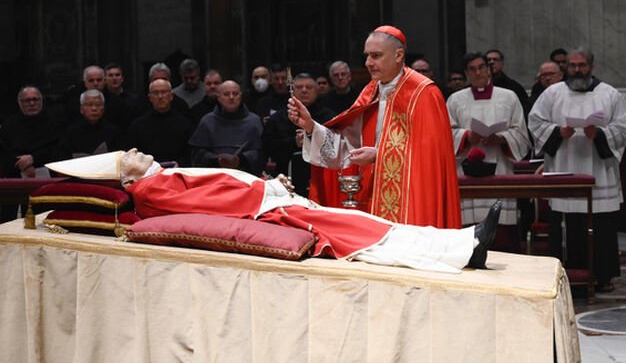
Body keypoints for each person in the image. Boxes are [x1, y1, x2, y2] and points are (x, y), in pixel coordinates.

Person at [45, 150, 503, 273]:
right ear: (124, 179)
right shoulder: (152, 190)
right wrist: (267, 195)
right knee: (363, 232)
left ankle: (461, 243)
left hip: (269, 202)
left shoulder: (157, 177)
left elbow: (219, 186)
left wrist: (265, 187)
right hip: (269, 214)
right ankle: (461, 248)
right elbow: (209, 203)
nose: (139, 152)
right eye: (130, 156)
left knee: (367, 224)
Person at [288, 25, 461, 228]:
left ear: (398, 55)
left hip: (412, 205)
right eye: (367, 56)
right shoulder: (371, 92)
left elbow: (430, 160)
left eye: (376, 56)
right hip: (371, 200)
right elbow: (347, 148)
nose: (368, 63)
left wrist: (379, 155)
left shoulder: (423, 93)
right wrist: (310, 127)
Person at [528, 48, 626, 292]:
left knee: (601, 228)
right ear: (566, 68)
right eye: (572, 65)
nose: (577, 70)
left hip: (599, 173)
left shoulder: (610, 94)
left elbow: (622, 127)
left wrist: (600, 134)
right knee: (568, 227)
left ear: (591, 66)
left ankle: (602, 277)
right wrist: (558, 132)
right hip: (565, 167)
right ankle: (567, 277)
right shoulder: (553, 94)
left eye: (581, 65)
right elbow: (535, 121)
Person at [447, 52, 530, 240]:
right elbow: (445, 134)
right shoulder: (455, 99)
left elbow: (521, 133)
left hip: (500, 165)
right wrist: (467, 136)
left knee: (501, 234)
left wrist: (501, 138)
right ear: (466, 73)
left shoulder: (509, 97)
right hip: (466, 168)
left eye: (481, 67)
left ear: (489, 69)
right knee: (470, 233)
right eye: (472, 69)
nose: (478, 73)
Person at [263, 73, 335, 196]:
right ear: (292, 90)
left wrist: (314, 137)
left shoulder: (330, 117)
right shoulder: (277, 119)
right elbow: (267, 147)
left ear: (316, 90)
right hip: (285, 178)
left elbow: (336, 146)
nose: (304, 90)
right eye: (299, 87)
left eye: (309, 87)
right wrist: (294, 142)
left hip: (322, 177)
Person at [0, 86, 62, 221]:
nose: (32, 103)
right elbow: (4, 150)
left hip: (45, 177)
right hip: (15, 177)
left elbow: (57, 149)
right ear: (20, 103)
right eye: (27, 100)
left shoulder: (54, 123)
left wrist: (33, 159)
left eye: (35, 99)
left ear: (41, 101)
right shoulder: (10, 125)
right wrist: (24, 165)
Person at [189, 80, 265, 175]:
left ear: (241, 96)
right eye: (226, 94)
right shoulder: (207, 121)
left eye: (235, 93)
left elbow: (262, 154)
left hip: (246, 177)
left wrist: (241, 159)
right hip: (213, 176)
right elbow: (197, 155)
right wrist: (217, 160)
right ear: (219, 98)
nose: (231, 97)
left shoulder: (254, 121)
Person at [125, 79, 195, 166]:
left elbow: (190, 155)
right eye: (155, 93)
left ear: (171, 96)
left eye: (164, 92)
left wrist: (179, 164)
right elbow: (132, 157)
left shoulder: (185, 125)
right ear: (150, 98)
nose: (160, 96)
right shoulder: (137, 126)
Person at [56, 89, 122, 159]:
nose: (94, 108)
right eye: (89, 105)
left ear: (103, 108)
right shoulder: (70, 133)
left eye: (98, 105)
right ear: (81, 109)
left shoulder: (113, 132)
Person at [485, 49, 529, 116]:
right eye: (488, 60)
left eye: (495, 59)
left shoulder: (515, 88)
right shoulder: (477, 86)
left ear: (502, 63)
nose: (491, 62)